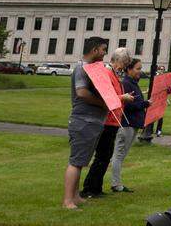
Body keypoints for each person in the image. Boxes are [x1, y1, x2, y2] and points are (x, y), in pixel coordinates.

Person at [63, 36, 113, 209]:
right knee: (76, 161)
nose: (105, 53)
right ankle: (68, 200)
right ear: (94, 51)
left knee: (82, 160)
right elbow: (82, 92)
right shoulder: (82, 69)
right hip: (83, 120)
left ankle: (75, 196)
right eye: (103, 49)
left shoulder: (93, 69)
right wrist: (104, 103)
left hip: (92, 121)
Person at [81, 45, 134, 198]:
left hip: (114, 121)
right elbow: (106, 97)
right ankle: (90, 189)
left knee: (105, 156)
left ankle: (95, 187)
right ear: (116, 61)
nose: (123, 68)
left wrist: (123, 97)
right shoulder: (107, 73)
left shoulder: (115, 75)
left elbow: (114, 94)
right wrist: (122, 98)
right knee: (102, 156)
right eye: (123, 64)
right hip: (107, 120)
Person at [110, 57, 149, 193]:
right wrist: (145, 104)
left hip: (132, 124)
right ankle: (116, 184)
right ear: (129, 69)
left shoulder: (132, 83)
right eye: (137, 68)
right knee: (119, 154)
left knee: (121, 154)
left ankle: (117, 183)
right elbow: (128, 105)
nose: (140, 71)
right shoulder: (126, 83)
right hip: (126, 124)